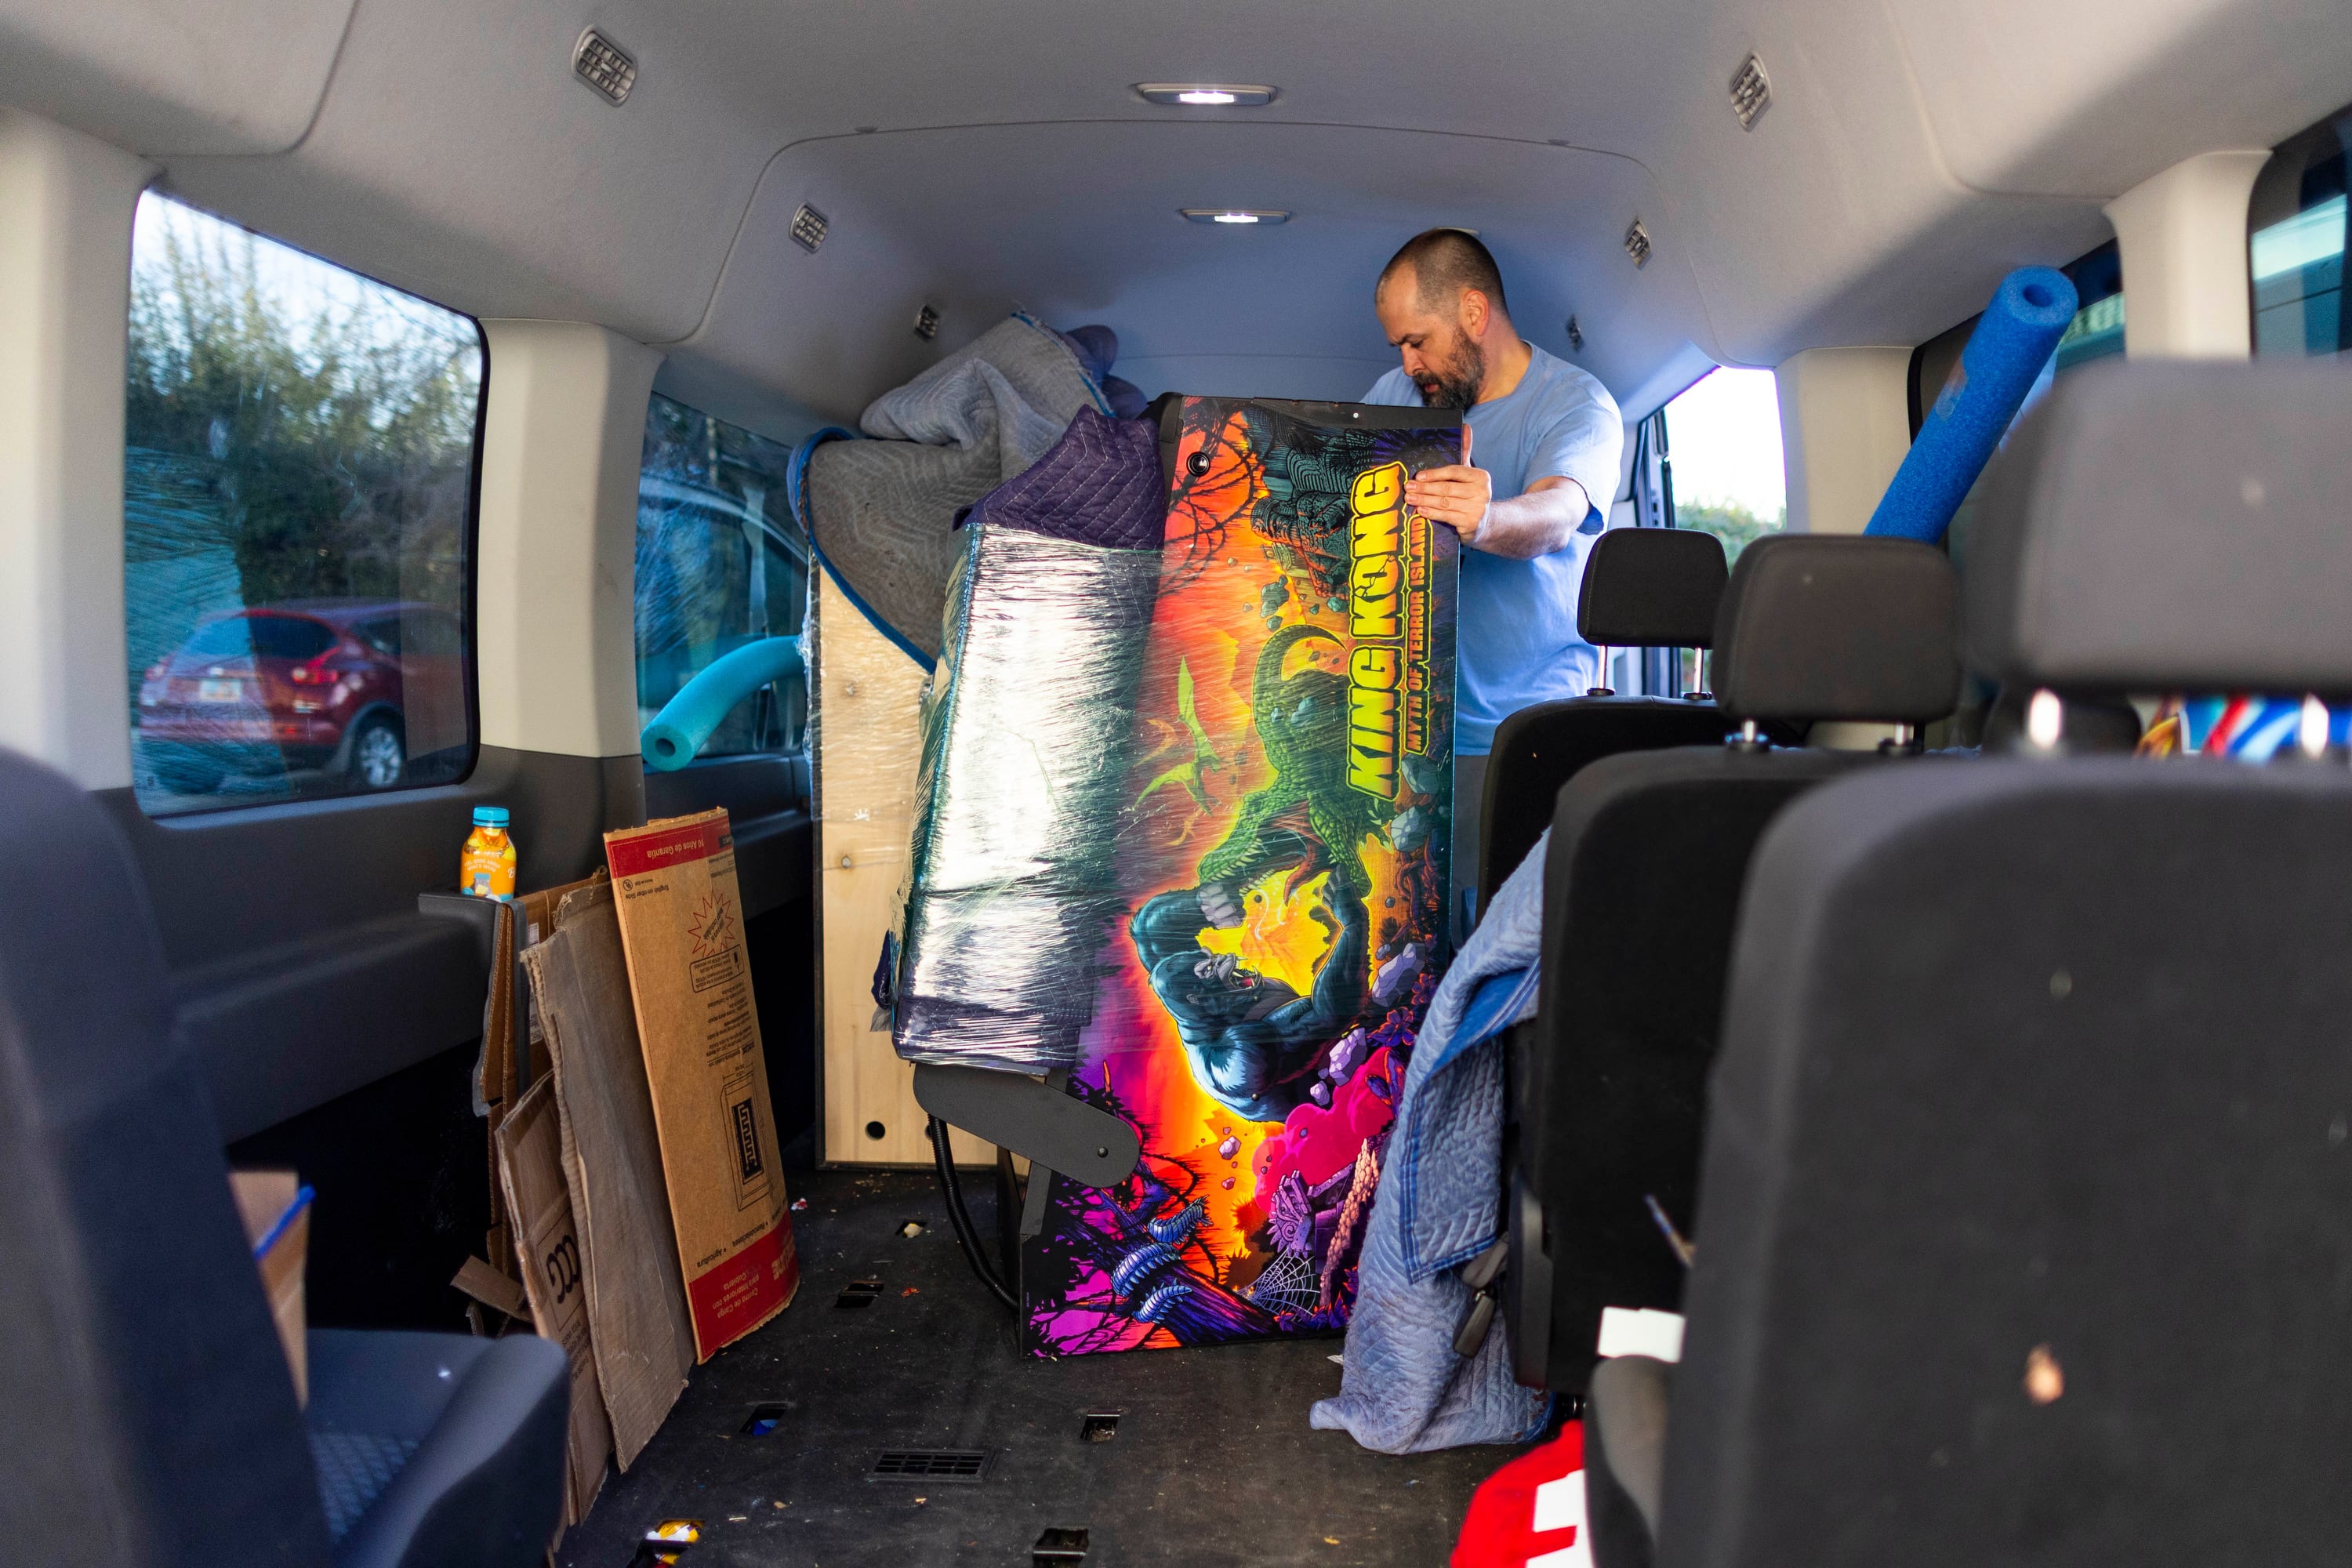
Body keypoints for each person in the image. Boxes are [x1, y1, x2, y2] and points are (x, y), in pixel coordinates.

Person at [1364, 229, 1624, 931]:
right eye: (1399, 347)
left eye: (1417, 341)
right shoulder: (1397, 394)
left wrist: (1485, 518)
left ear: (1474, 314)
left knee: (1506, 949)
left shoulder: (1576, 403)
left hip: (1518, 738)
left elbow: (1560, 512)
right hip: (1405, 736)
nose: (1407, 362)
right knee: (1405, 955)